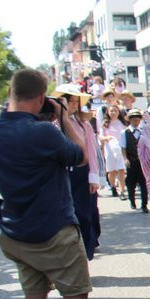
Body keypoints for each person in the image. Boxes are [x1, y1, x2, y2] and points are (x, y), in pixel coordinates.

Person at [0, 70, 116, 299]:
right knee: (74, 294)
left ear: (11, 92)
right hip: (54, 227)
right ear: (40, 98)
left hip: (16, 230)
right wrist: (64, 119)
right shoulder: (43, 132)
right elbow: (80, 156)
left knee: (33, 296)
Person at [53, 84, 102, 260]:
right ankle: (68, 257)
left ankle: (85, 254)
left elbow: (91, 151)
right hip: (59, 174)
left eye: (76, 101)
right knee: (63, 218)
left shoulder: (84, 124)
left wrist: (94, 176)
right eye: (69, 101)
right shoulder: (52, 123)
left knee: (84, 215)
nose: (73, 105)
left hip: (82, 172)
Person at [120, 109, 149, 212]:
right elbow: (123, 147)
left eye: (137, 120)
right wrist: (125, 158)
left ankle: (144, 204)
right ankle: (132, 201)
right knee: (131, 182)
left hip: (142, 161)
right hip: (131, 160)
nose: (136, 122)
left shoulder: (143, 131)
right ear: (130, 120)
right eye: (133, 120)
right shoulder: (125, 132)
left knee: (144, 182)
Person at [99, 106, 127, 199]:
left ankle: (122, 190)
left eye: (115, 111)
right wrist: (107, 138)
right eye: (111, 111)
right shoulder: (105, 124)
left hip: (121, 148)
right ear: (108, 112)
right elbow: (101, 137)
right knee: (112, 170)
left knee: (121, 169)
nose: (113, 113)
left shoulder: (122, 123)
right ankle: (113, 186)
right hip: (110, 148)